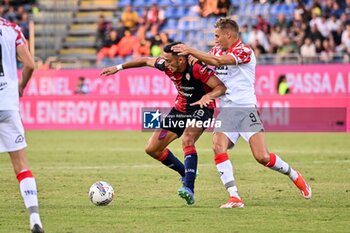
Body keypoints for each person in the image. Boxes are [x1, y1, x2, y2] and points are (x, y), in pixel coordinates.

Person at [172, 17, 312, 208]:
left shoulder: (244, 51)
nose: (215, 40)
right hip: (227, 112)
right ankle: (234, 196)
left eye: (217, 36)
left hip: (246, 110)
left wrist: (192, 50)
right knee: (217, 145)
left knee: (262, 157)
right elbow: (206, 58)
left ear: (228, 34)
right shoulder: (216, 50)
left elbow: (217, 61)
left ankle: (293, 174)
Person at [100, 42, 226, 205]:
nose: (164, 64)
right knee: (152, 149)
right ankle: (185, 172)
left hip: (201, 108)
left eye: (168, 61)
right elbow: (145, 60)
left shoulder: (196, 68)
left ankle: (189, 188)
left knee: (187, 139)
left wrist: (208, 97)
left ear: (181, 60)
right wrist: (117, 68)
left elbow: (221, 87)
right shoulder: (165, 65)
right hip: (180, 110)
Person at [0, 17, 44, 232]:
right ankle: (35, 217)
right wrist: (21, 87)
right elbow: (29, 64)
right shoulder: (12, 29)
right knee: (21, 165)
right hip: (7, 103)